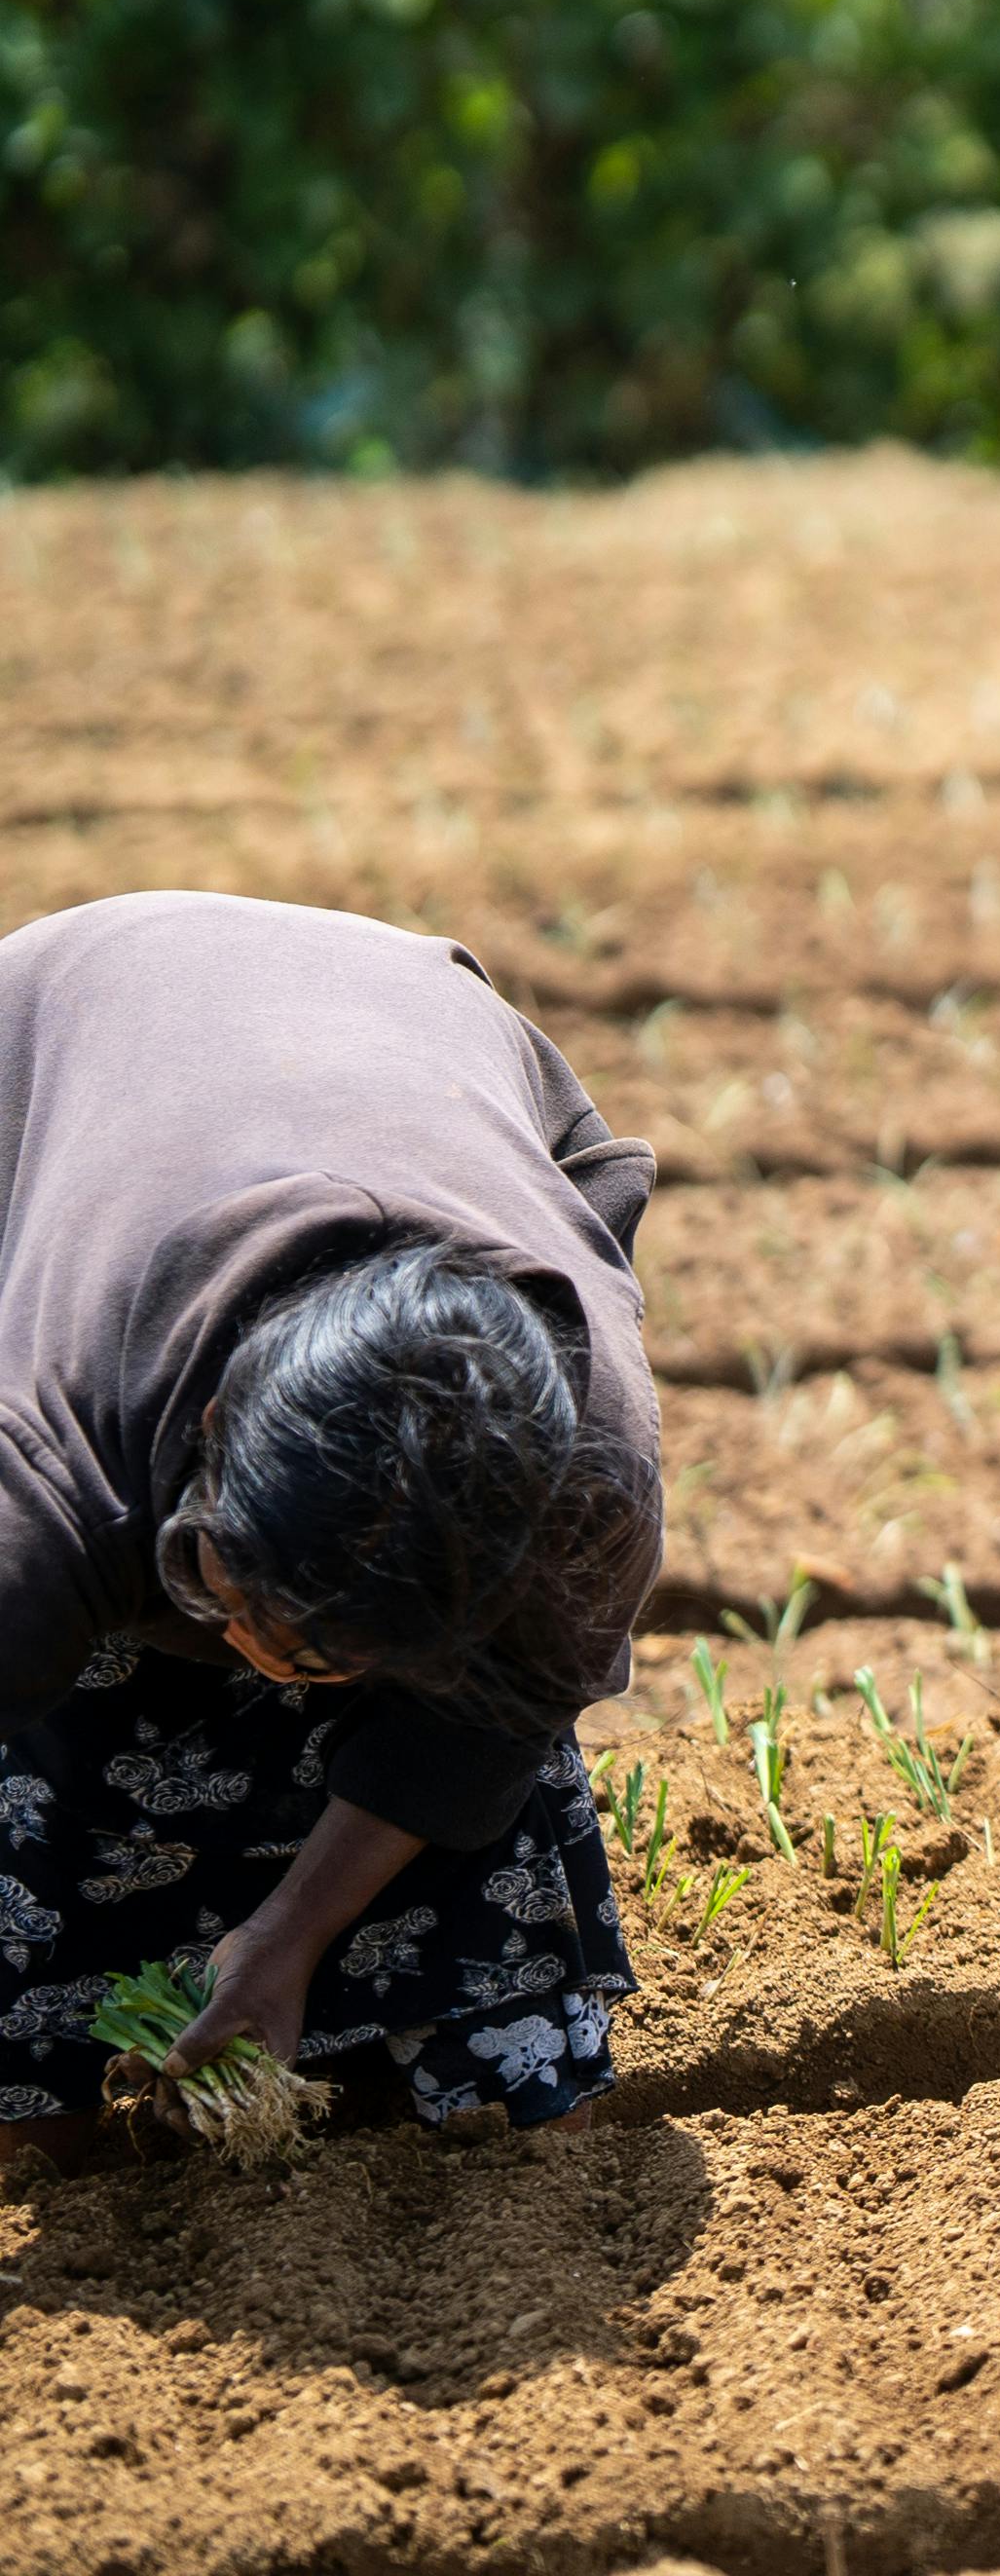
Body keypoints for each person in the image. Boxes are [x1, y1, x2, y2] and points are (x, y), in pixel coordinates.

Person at [0, 891, 665, 2149]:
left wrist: (285, 1939)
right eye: (240, 1608)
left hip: (406, 1033)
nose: (269, 1669)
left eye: (333, 1662)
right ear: (205, 1442)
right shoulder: (50, 1447)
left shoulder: (583, 1480)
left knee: (472, 1746)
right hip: (40, 1048)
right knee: (80, 1704)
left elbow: (496, 1715)